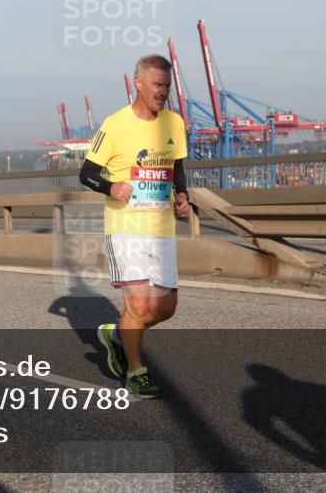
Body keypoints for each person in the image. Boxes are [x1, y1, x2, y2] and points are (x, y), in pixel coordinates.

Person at [80, 54, 189, 398]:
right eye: (157, 85)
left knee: (165, 308)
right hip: (125, 225)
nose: (162, 92)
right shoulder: (115, 125)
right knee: (139, 306)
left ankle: (115, 334)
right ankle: (135, 370)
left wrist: (183, 196)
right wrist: (110, 186)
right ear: (137, 83)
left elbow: (177, 170)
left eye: (167, 86)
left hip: (162, 228)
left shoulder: (175, 123)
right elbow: (86, 173)